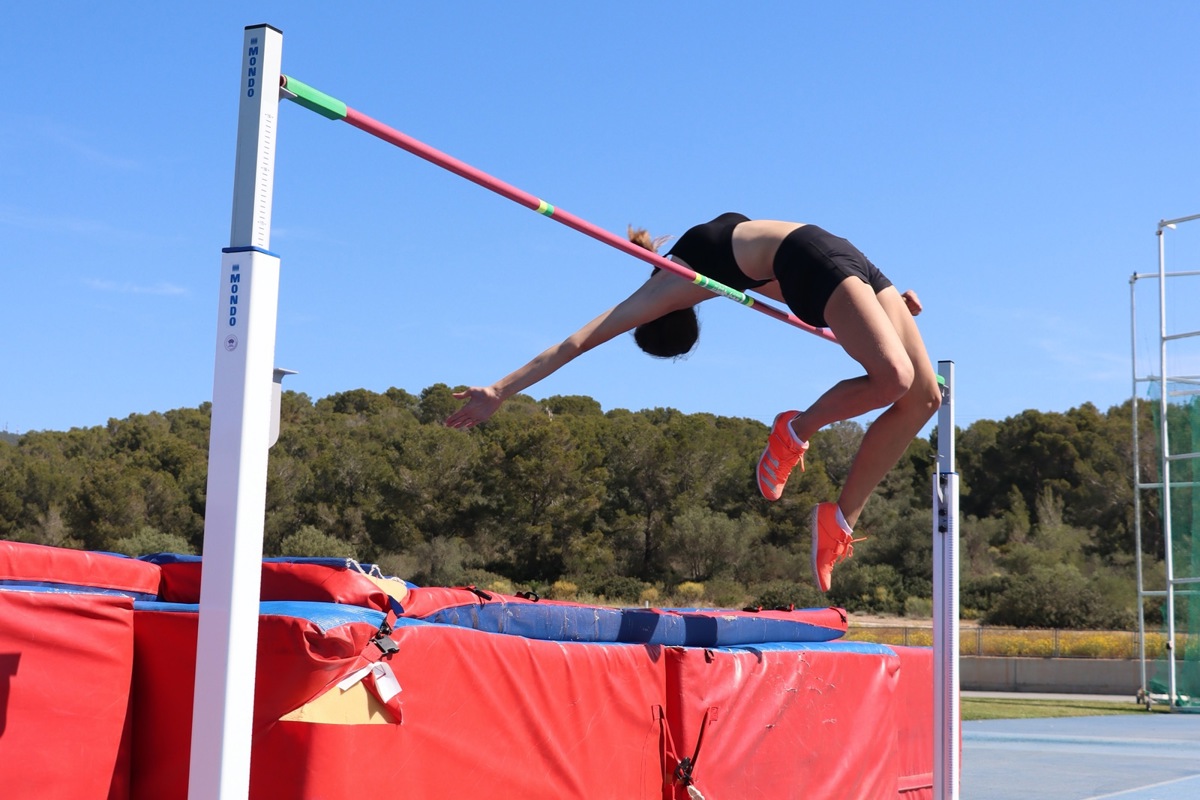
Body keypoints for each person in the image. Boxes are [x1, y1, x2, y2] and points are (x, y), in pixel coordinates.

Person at [445, 212, 941, 592]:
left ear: (663, 319)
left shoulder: (667, 286)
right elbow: (780, 275)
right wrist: (878, 314)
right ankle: (839, 521)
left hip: (820, 260)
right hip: (841, 256)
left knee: (896, 380)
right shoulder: (704, 251)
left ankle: (795, 430)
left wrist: (500, 390)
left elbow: (579, 341)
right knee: (925, 397)